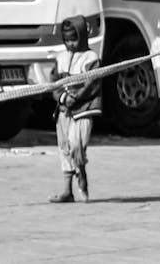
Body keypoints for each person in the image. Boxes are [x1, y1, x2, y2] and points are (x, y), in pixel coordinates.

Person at [48, 16, 101, 203]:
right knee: (64, 147)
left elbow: (93, 84)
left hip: (84, 109)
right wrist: (63, 97)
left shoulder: (91, 58)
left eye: (74, 39)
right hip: (64, 110)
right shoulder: (61, 58)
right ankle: (67, 191)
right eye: (67, 40)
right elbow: (54, 83)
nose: (71, 44)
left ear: (82, 36)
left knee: (76, 145)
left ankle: (81, 170)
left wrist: (76, 97)